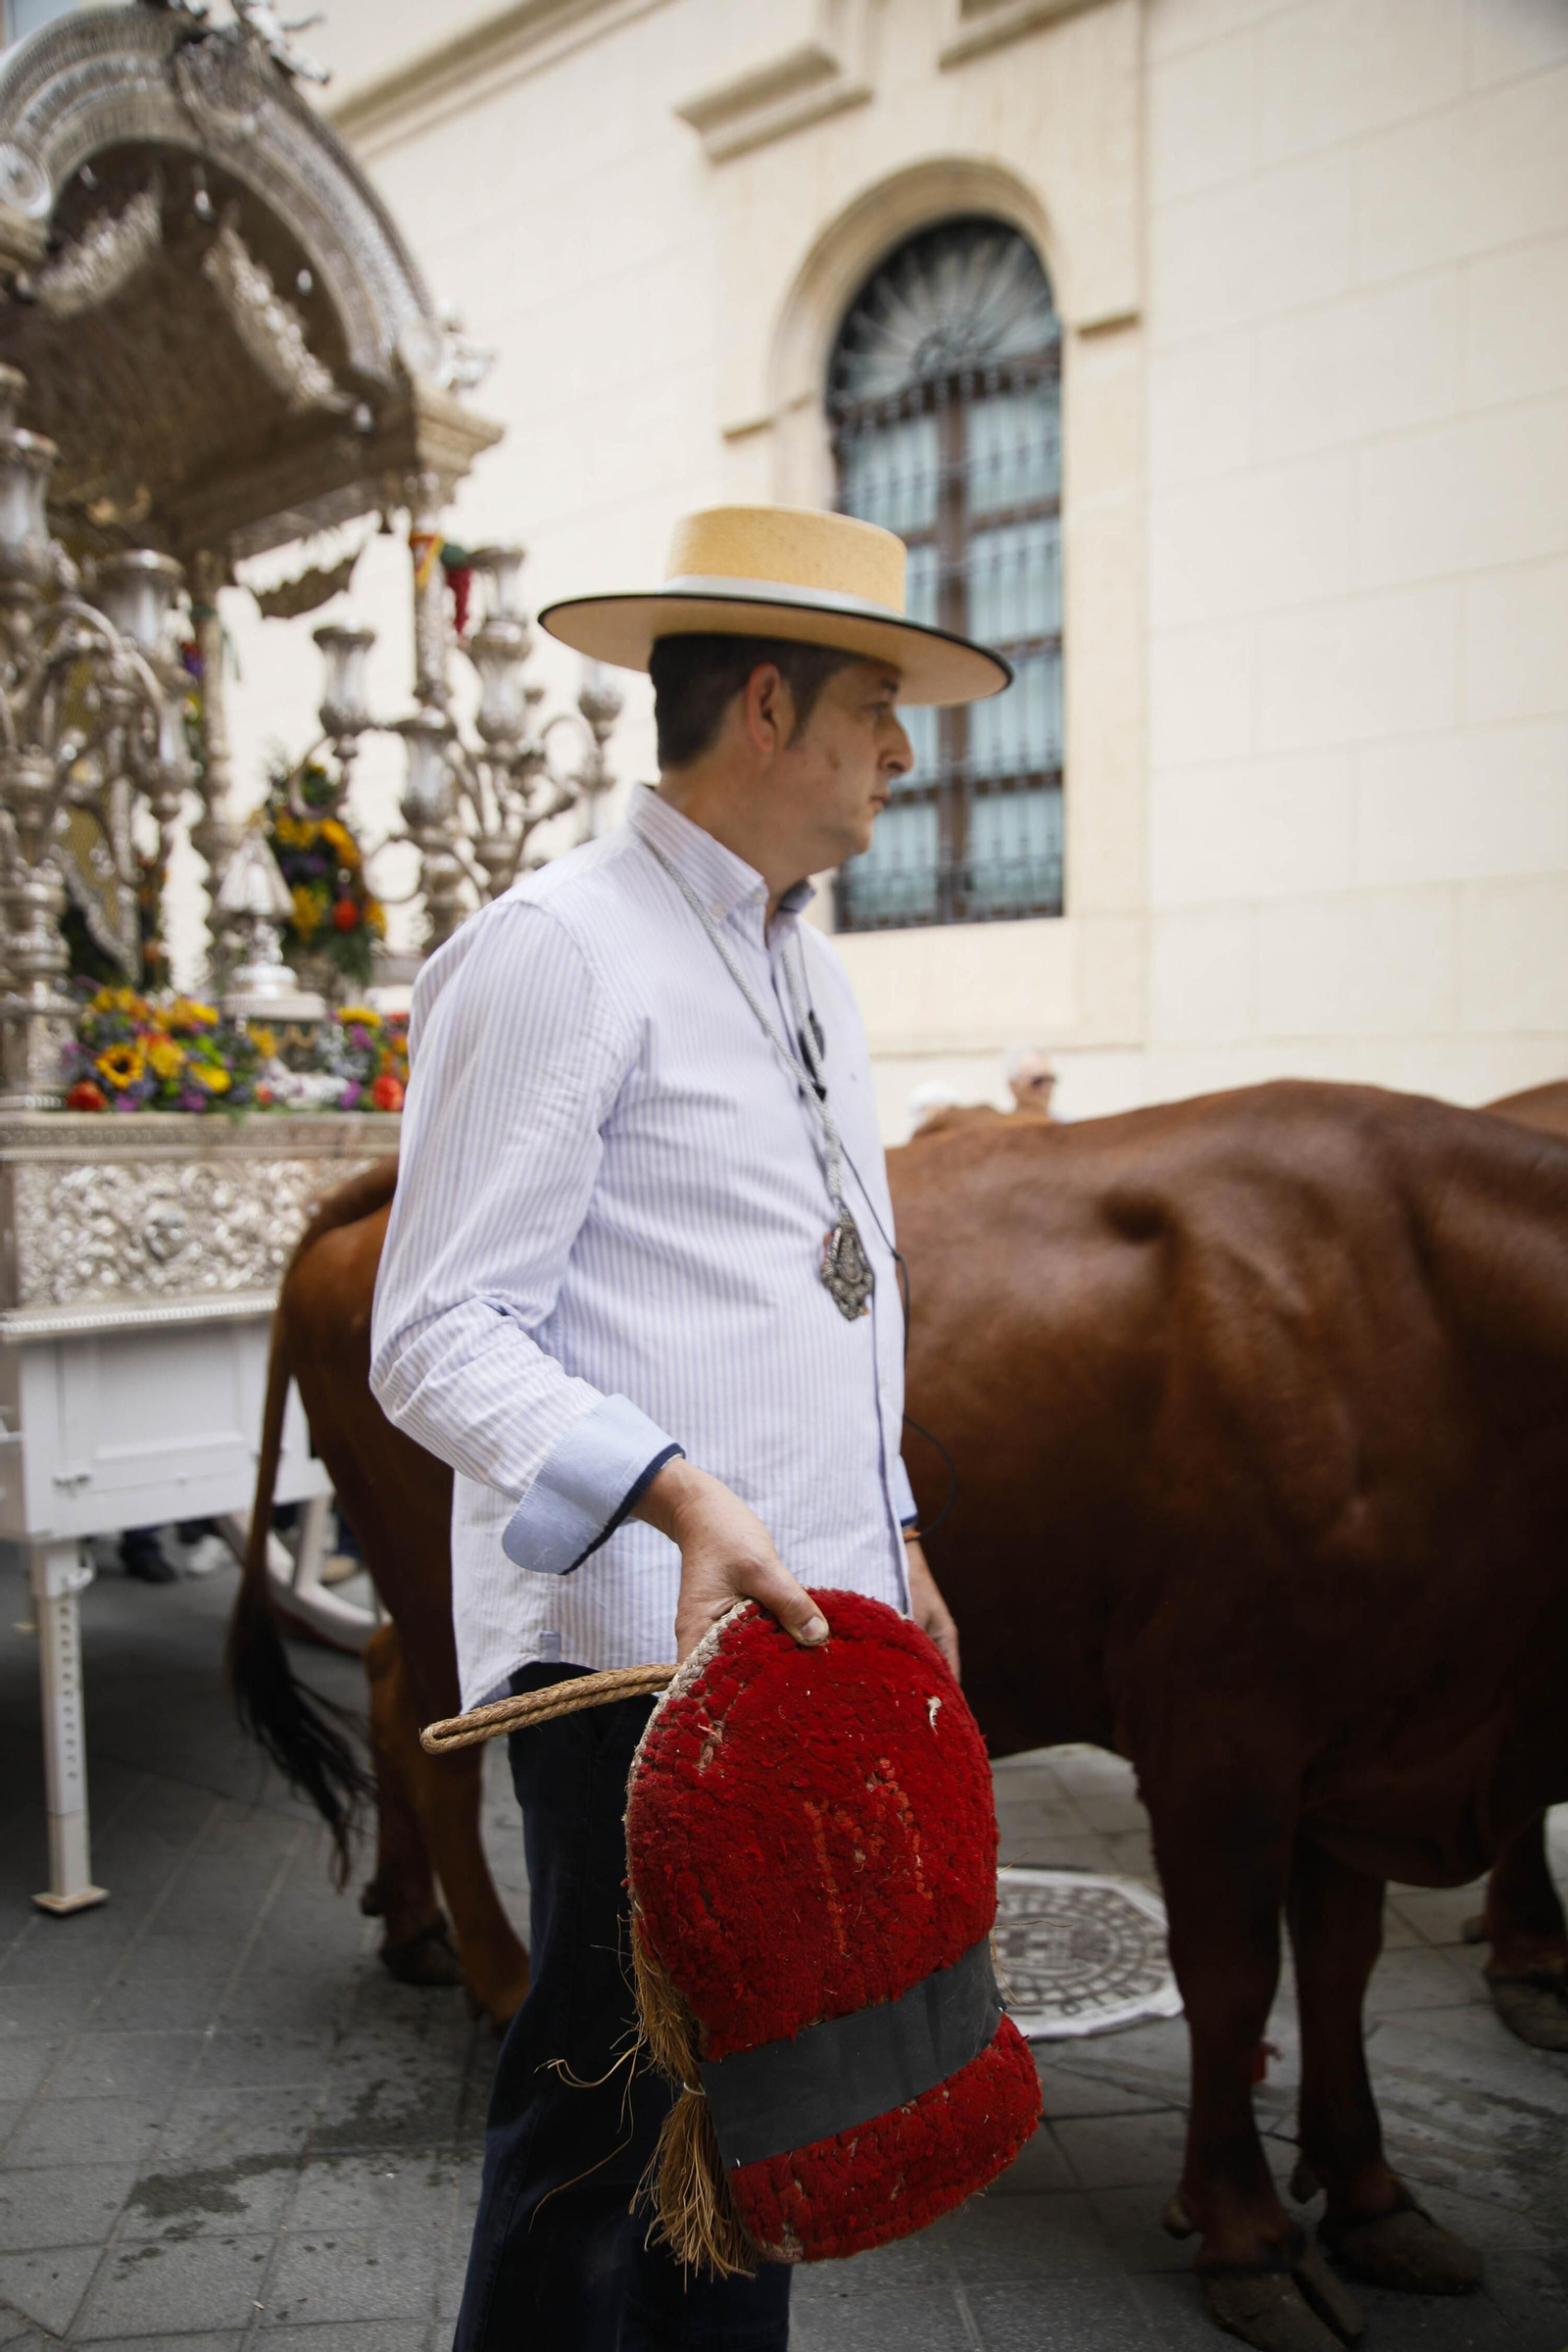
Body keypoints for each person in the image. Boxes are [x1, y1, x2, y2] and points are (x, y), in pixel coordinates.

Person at [368, 504, 1010, 2352]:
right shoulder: (555, 949)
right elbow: (436, 1336)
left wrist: (891, 1525)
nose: (902, 749)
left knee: (758, 2161)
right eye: (879, 705)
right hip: (625, 1680)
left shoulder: (811, 962)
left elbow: (835, 1286)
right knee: (594, 2162)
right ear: (764, 706)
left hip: (804, 1640)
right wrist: (673, 1495)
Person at [1004, 1043, 1058, 1119]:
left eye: (1050, 1080)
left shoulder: (1066, 1126)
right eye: (1038, 1081)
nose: (1046, 1087)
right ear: (1013, 1085)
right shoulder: (999, 1128)